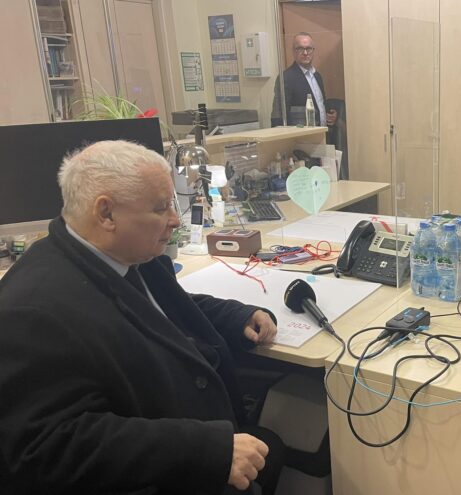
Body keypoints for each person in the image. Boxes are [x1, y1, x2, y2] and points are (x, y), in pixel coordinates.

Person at [0, 140, 285, 494]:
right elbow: (48, 446)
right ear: (106, 214)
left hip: (199, 431)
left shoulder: (124, 254)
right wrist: (206, 449)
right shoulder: (32, 310)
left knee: (273, 450)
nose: (175, 220)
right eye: (161, 207)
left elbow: (165, 308)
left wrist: (235, 315)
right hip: (161, 471)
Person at [271, 32, 326, 127]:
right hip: (301, 134)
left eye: (308, 48)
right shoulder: (286, 78)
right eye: (300, 48)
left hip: (322, 132)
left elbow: (320, 105)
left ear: (313, 50)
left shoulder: (317, 76)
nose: (305, 53)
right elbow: (278, 115)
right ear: (293, 51)